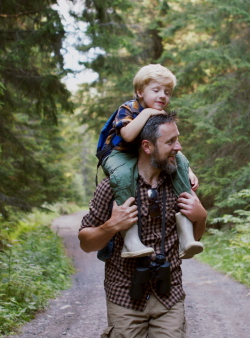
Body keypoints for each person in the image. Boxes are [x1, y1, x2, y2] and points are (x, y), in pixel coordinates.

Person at [79, 113, 208, 338]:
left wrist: (201, 216)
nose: (178, 147)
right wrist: (111, 226)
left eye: (177, 139)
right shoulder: (113, 187)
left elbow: (192, 244)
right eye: (170, 142)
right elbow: (85, 242)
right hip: (124, 297)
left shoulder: (179, 184)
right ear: (147, 146)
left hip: (169, 295)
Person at [100, 64, 202, 259]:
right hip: (118, 154)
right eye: (156, 90)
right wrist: (146, 113)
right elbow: (128, 136)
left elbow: (170, 144)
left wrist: (187, 169)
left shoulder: (159, 115)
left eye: (167, 92)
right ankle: (130, 237)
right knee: (122, 176)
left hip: (140, 153)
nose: (163, 96)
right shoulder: (129, 109)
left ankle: (186, 232)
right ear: (140, 92)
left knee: (179, 163)